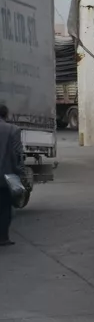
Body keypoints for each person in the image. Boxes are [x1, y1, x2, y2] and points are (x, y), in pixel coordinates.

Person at [0, 103, 24, 246]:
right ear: (5, 115)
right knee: (4, 207)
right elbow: (17, 154)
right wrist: (19, 172)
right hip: (4, 177)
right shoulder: (12, 130)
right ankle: (3, 238)